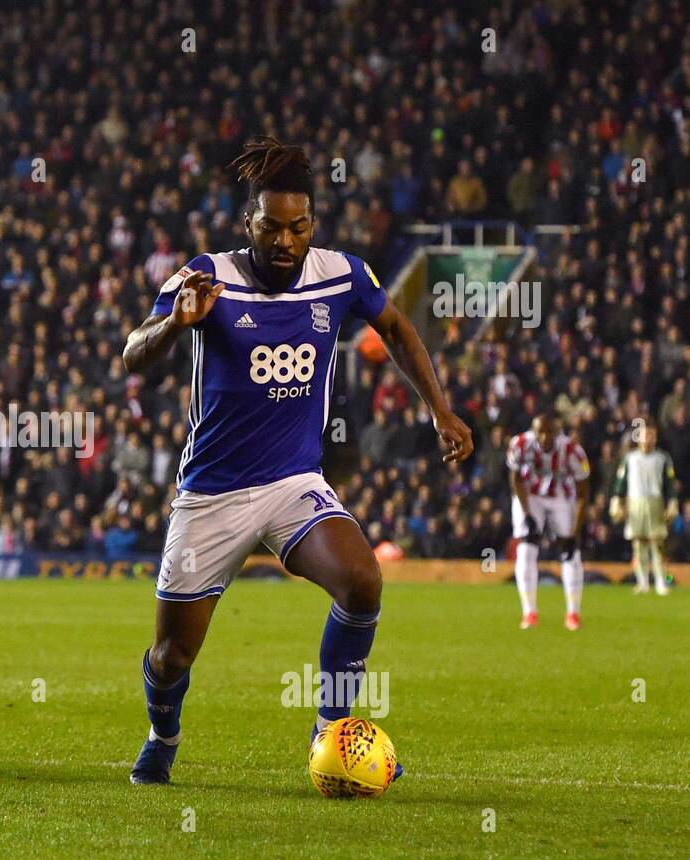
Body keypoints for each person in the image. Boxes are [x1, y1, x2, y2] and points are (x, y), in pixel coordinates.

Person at [121, 137, 473, 784]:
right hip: (213, 494)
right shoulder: (206, 276)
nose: (286, 240)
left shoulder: (340, 274)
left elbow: (395, 327)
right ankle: (162, 734)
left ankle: (332, 731)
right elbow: (132, 354)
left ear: (312, 222)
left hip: (293, 483)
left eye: (299, 226)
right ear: (247, 224)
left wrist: (438, 409)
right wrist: (176, 323)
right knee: (172, 655)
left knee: (363, 581)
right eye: (272, 227)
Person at [507, 412, 590, 630]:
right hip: (530, 496)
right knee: (526, 548)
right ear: (533, 431)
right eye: (539, 432)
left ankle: (573, 613)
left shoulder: (573, 451)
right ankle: (529, 612)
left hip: (561, 498)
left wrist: (575, 532)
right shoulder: (520, 444)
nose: (544, 437)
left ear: (557, 432)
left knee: (570, 551)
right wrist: (526, 515)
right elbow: (515, 480)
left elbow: (583, 493)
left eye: (549, 432)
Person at [610, 424, 678, 595]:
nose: (648, 439)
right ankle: (642, 582)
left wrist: (672, 502)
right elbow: (621, 480)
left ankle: (661, 581)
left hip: (655, 501)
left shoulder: (662, 458)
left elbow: (670, 483)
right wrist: (617, 500)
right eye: (644, 435)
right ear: (638, 438)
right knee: (639, 543)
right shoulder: (630, 458)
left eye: (651, 435)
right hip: (635, 502)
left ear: (655, 438)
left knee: (657, 543)